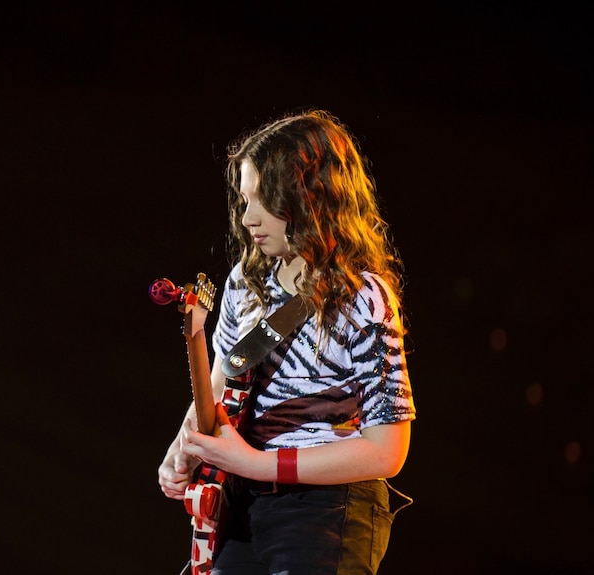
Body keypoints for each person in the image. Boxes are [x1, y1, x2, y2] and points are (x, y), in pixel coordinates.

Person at [157, 109, 416, 575]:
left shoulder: (364, 297)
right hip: (245, 500)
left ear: (312, 198)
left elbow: (386, 451)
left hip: (330, 508)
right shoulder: (243, 283)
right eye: (243, 200)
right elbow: (216, 390)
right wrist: (183, 449)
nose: (248, 217)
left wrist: (256, 463)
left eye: (264, 200)